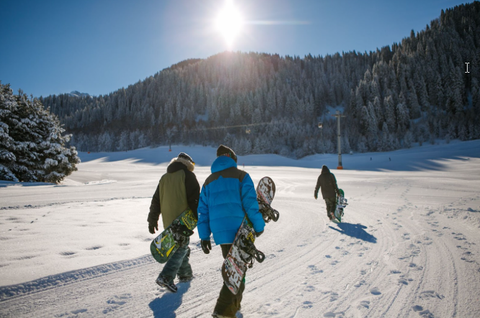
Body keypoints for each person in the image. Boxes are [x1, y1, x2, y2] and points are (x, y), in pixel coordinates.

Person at [197, 145, 265, 318]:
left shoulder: (208, 181)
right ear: (232, 158)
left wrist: (204, 236)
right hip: (240, 232)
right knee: (236, 271)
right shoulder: (242, 176)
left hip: (221, 235)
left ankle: (234, 306)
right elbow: (251, 205)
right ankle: (223, 309)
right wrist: (258, 227)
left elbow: (202, 212)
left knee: (235, 268)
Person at [147, 152, 200, 293]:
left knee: (180, 246)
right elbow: (195, 200)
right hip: (183, 220)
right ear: (188, 163)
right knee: (182, 247)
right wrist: (197, 219)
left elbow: (156, 201)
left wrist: (152, 219)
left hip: (168, 220)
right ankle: (166, 276)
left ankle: (185, 274)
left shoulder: (164, 178)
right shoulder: (188, 176)